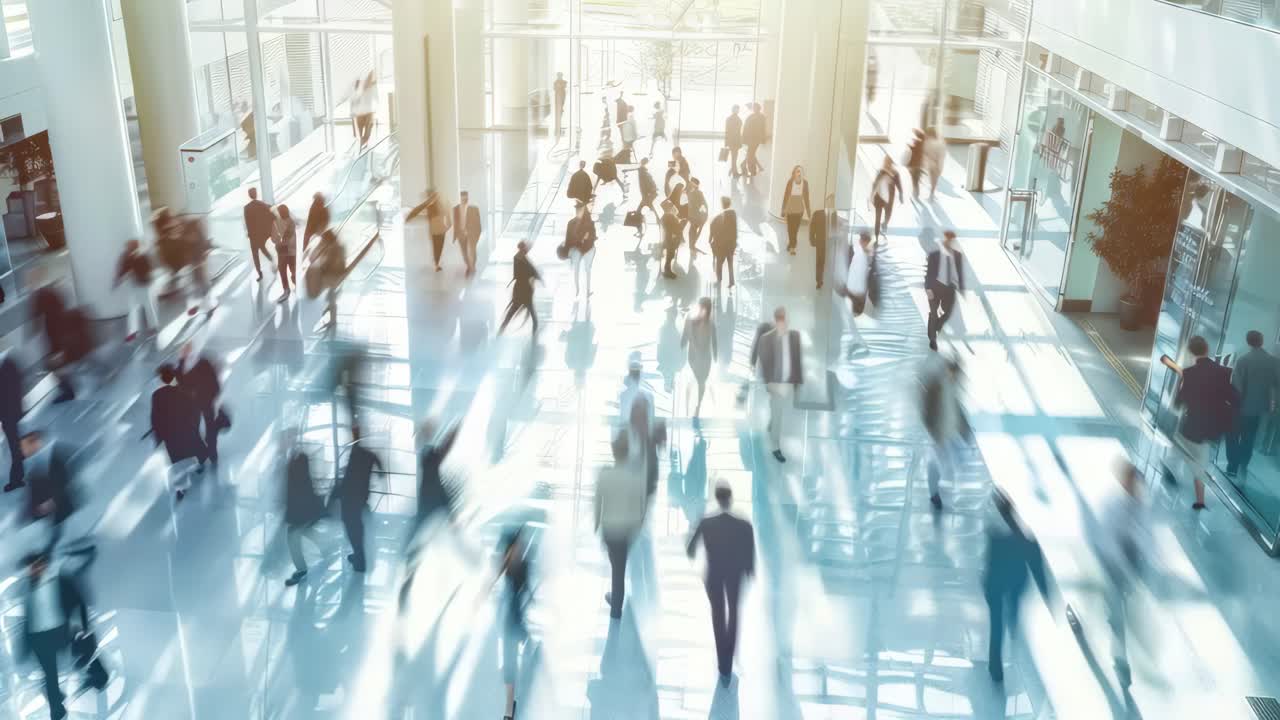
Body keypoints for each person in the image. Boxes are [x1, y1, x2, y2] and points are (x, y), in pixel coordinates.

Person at [982, 487, 1053, 684]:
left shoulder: (994, 534)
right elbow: (1037, 567)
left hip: (994, 586)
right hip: (1014, 584)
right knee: (1011, 611)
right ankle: (1013, 629)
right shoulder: (1025, 536)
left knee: (997, 624)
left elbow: (989, 562)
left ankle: (995, 665)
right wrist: (1047, 596)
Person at [687, 481, 755, 685]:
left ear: (716, 498)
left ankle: (722, 661)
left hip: (714, 573)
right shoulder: (744, 524)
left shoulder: (706, 522)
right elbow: (750, 553)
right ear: (730, 498)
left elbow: (690, 549)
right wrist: (750, 570)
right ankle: (729, 656)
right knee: (733, 612)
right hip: (734, 573)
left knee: (718, 613)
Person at [1094, 459, 1148, 687]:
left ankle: (1113, 606)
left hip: (1130, 559)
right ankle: (1120, 658)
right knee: (1119, 613)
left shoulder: (1141, 504)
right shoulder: (1112, 504)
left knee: (1121, 602)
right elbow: (1107, 539)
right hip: (1114, 562)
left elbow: (1147, 534)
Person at [1175, 335, 1238, 510]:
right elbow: (1234, 398)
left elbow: (1179, 401)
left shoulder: (1188, 374)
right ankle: (1200, 500)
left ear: (1191, 352)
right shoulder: (1224, 372)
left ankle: (1175, 472)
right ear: (1207, 349)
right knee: (1200, 462)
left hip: (1190, 427)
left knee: (1181, 449)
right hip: (1209, 428)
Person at [595, 431, 646, 619]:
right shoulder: (634, 477)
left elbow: (598, 502)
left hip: (609, 529)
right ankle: (616, 601)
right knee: (619, 566)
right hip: (626, 530)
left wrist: (596, 524)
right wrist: (637, 527)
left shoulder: (606, 475)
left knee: (617, 566)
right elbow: (640, 507)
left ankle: (616, 604)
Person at [751, 307, 803, 462]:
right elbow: (764, 363)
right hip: (775, 383)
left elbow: (796, 360)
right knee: (778, 414)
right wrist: (769, 383)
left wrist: (797, 382)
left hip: (788, 382)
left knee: (778, 410)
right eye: (780, 319)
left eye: (785, 319)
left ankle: (771, 423)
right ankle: (775, 447)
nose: (783, 322)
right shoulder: (766, 338)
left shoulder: (794, 336)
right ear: (776, 320)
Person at [150, 364, 208, 502]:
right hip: (188, 429)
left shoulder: (158, 395)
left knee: (177, 460)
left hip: (171, 435)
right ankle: (200, 464)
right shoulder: (186, 390)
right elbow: (196, 410)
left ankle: (181, 488)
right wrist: (194, 425)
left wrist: (158, 437)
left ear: (162, 379)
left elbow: (156, 418)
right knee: (195, 447)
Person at [1226, 330, 1280, 477]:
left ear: (1248, 342)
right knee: (1249, 437)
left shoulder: (1243, 360)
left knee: (1232, 435)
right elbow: (1276, 384)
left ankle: (1232, 465)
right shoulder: (1274, 362)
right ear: (1262, 341)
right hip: (1258, 409)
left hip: (1240, 407)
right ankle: (1244, 463)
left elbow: (1236, 386)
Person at [919, 355, 966, 510]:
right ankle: (934, 495)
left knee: (948, 463)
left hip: (949, 431)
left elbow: (956, 409)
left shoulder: (953, 387)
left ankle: (939, 494)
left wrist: (962, 428)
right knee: (936, 463)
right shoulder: (936, 387)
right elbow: (928, 410)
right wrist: (932, 430)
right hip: (938, 432)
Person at [497, 527, 533, 720]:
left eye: (519, 547)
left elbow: (526, 592)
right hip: (508, 624)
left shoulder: (524, 566)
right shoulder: (505, 566)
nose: (517, 551)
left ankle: (514, 701)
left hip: (518, 622)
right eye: (514, 548)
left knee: (522, 657)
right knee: (510, 666)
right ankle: (509, 711)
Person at [282, 428, 324, 587]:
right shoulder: (292, 457)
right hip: (300, 509)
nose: (284, 443)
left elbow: (302, 486)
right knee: (304, 533)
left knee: (293, 536)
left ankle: (301, 570)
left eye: (288, 439)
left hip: (304, 509)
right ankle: (326, 547)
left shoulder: (300, 458)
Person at [340, 425, 381, 573]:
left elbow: (351, 477)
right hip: (359, 498)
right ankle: (358, 556)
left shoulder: (358, 453)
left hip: (352, 498)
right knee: (355, 527)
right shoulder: (365, 453)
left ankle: (360, 560)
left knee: (353, 528)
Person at [177, 343, 225, 466]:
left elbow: (183, 381)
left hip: (201, 401)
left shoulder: (202, 364)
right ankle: (206, 453)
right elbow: (181, 381)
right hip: (198, 402)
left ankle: (208, 452)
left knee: (203, 427)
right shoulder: (190, 364)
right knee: (200, 427)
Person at [21, 430, 78, 525]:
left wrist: (52, 502)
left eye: (25, 447)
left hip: (65, 512)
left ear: (36, 443)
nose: (23, 451)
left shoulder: (56, 457)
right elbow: (32, 499)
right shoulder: (33, 469)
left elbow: (65, 483)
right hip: (48, 518)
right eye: (22, 448)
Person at [925, 230, 965, 351]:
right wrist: (928, 288)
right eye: (947, 239)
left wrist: (961, 288)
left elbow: (959, 273)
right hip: (935, 287)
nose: (949, 242)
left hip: (949, 288)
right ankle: (932, 339)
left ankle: (936, 325)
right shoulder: (934, 254)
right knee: (933, 313)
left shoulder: (957, 255)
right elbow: (929, 273)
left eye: (951, 240)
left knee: (947, 312)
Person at [113, 239, 156, 342]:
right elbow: (123, 269)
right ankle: (133, 331)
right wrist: (117, 281)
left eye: (131, 248)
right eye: (128, 248)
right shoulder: (126, 256)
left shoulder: (143, 255)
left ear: (136, 247)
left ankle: (153, 327)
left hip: (145, 284)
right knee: (133, 309)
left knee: (148, 306)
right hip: (134, 284)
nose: (129, 250)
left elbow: (149, 269)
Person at [682, 297, 718, 418]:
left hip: (705, 357)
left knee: (701, 381)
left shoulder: (710, 322)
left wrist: (716, 354)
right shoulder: (691, 319)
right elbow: (685, 335)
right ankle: (693, 406)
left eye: (707, 308)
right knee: (698, 380)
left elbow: (714, 340)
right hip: (695, 356)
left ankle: (698, 406)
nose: (705, 310)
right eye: (703, 307)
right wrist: (683, 342)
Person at [499, 241, 541, 336]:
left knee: (513, 311)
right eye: (525, 248)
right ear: (523, 248)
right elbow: (531, 271)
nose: (527, 250)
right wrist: (535, 276)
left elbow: (523, 273)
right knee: (530, 311)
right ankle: (534, 332)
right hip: (524, 289)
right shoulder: (521, 259)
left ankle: (501, 330)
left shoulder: (520, 258)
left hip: (520, 289)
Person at [406, 189, 451, 272]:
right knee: (436, 247)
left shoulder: (440, 204)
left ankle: (436, 264)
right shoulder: (430, 205)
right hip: (435, 230)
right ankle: (436, 264)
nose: (436, 197)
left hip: (441, 230)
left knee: (439, 247)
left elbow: (446, 214)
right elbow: (419, 210)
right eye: (434, 195)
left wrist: (448, 224)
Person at [0, 350, 23, 492]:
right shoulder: (9, 362)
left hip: (9, 414)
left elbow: (9, 393)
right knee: (15, 444)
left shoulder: (6, 365)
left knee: (14, 445)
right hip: (10, 413)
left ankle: (16, 479)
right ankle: (17, 476)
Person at [243, 187, 277, 282]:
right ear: (256, 194)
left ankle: (259, 273)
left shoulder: (247, 208)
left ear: (249, 195)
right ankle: (272, 260)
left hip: (253, 235)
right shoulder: (263, 205)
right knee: (262, 248)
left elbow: (247, 222)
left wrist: (249, 234)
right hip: (262, 234)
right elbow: (272, 216)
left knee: (255, 254)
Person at [565, 202, 598, 298]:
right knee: (577, 270)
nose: (578, 212)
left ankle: (587, 291)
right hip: (577, 248)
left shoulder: (589, 223)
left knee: (587, 270)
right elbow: (568, 239)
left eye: (580, 210)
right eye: (577, 210)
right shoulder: (571, 223)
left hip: (587, 248)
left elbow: (593, 236)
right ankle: (577, 290)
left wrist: (588, 238)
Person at [869, 156, 904, 238]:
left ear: (891, 163)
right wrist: (871, 195)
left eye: (889, 162)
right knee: (877, 218)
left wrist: (901, 195)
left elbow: (899, 185)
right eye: (886, 161)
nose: (887, 163)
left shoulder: (895, 173)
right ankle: (877, 236)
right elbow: (875, 183)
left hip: (889, 199)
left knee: (888, 215)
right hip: (879, 198)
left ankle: (884, 224)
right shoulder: (881, 171)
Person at [780, 165, 811, 255]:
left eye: (801, 171)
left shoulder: (805, 183)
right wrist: (783, 209)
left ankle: (792, 244)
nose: (799, 173)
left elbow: (806, 199)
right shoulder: (790, 182)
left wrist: (809, 213)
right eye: (797, 171)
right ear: (794, 173)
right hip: (790, 209)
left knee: (795, 229)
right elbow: (786, 196)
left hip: (799, 210)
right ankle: (793, 245)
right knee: (790, 229)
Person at [710, 196, 738, 289]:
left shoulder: (719, 217)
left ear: (722, 204)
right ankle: (731, 281)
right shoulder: (733, 214)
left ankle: (719, 280)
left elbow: (713, 229)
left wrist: (710, 238)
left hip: (721, 245)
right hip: (731, 244)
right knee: (730, 262)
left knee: (719, 263)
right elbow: (734, 230)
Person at [453, 191, 482, 276]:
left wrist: (478, 233)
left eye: (466, 197)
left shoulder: (474, 208)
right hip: (460, 233)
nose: (465, 199)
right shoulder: (455, 209)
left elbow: (478, 222)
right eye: (463, 197)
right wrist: (455, 235)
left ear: (468, 197)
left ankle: (472, 266)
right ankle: (469, 266)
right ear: (460, 198)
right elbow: (455, 222)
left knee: (472, 250)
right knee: (464, 252)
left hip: (471, 233)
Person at [274, 203, 298, 301]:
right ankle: (286, 289)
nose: (279, 214)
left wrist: (280, 243)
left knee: (291, 268)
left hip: (289, 250)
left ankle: (293, 280)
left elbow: (287, 237)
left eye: (280, 212)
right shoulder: (279, 220)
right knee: (282, 269)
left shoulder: (291, 223)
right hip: (284, 250)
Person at [809, 202, 835, 290]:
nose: (830, 205)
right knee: (820, 262)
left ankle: (830, 281)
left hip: (831, 243)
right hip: (821, 243)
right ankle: (819, 281)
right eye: (829, 202)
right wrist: (812, 240)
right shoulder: (817, 214)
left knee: (829, 262)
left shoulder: (835, 215)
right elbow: (812, 228)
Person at [351, 71, 378, 150]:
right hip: (360, 113)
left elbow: (376, 99)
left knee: (366, 134)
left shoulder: (373, 87)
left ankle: (363, 147)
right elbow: (354, 100)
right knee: (359, 135)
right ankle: (361, 148)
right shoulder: (359, 85)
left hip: (369, 112)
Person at [741, 102, 766, 177]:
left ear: (758, 108)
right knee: (751, 154)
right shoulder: (751, 116)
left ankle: (750, 169)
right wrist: (744, 138)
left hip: (756, 138)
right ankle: (752, 169)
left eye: (756, 108)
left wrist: (763, 138)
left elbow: (763, 128)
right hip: (750, 138)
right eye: (754, 108)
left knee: (750, 154)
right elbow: (745, 128)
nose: (754, 109)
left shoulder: (761, 117)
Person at [686, 178, 709, 259]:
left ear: (695, 184)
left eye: (692, 183)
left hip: (695, 216)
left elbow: (704, 204)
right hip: (692, 216)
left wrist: (704, 214)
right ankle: (692, 247)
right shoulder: (689, 192)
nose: (690, 184)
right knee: (692, 232)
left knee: (692, 232)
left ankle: (692, 247)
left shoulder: (698, 193)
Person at [660, 199, 682, 279]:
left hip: (668, 238)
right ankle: (667, 270)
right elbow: (673, 228)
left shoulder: (665, 216)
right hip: (671, 239)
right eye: (671, 206)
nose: (673, 207)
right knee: (670, 255)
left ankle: (667, 269)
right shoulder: (669, 216)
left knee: (670, 254)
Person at [635, 157, 660, 225]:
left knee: (643, 208)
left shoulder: (643, 171)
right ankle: (658, 220)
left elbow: (645, 183)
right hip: (648, 193)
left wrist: (649, 192)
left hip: (647, 194)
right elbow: (646, 183)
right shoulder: (643, 172)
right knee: (650, 206)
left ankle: (637, 221)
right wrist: (650, 191)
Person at [924, 129, 946, 199]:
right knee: (934, 179)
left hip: (930, 163)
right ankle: (932, 193)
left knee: (931, 178)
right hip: (937, 163)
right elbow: (942, 155)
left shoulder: (927, 142)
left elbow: (925, 152)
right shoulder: (940, 143)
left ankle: (931, 193)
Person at [905, 129, 927, 199]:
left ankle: (915, 194)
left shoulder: (918, 142)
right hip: (918, 164)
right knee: (915, 180)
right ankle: (916, 194)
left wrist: (909, 145)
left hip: (913, 164)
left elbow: (913, 149)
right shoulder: (924, 143)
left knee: (914, 181)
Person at [724, 105, 743, 177]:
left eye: (738, 109)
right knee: (734, 157)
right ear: (733, 110)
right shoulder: (733, 119)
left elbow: (727, 131)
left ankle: (733, 170)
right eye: (737, 109)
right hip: (734, 140)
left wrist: (726, 142)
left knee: (734, 156)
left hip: (734, 140)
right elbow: (729, 131)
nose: (738, 111)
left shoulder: (731, 118)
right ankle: (734, 172)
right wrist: (726, 142)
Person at [553, 72, 568, 137]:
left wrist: (559, 87)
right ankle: (557, 128)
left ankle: (559, 128)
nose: (559, 76)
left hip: (562, 96)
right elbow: (555, 88)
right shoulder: (555, 82)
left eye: (560, 75)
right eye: (558, 75)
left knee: (561, 108)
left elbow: (563, 87)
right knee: (558, 112)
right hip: (557, 97)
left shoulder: (564, 82)